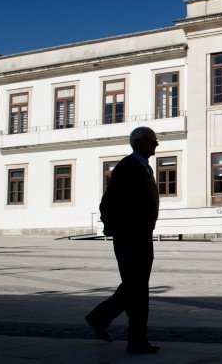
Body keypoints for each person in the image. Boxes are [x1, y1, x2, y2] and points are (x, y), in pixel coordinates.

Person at [85, 126, 160, 354]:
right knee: (137, 289)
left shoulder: (145, 168)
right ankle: (136, 340)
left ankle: (99, 317)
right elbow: (108, 203)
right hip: (130, 238)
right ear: (138, 143)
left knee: (134, 287)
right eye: (151, 140)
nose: (156, 145)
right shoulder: (126, 167)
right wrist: (114, 228)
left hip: (142, 236)